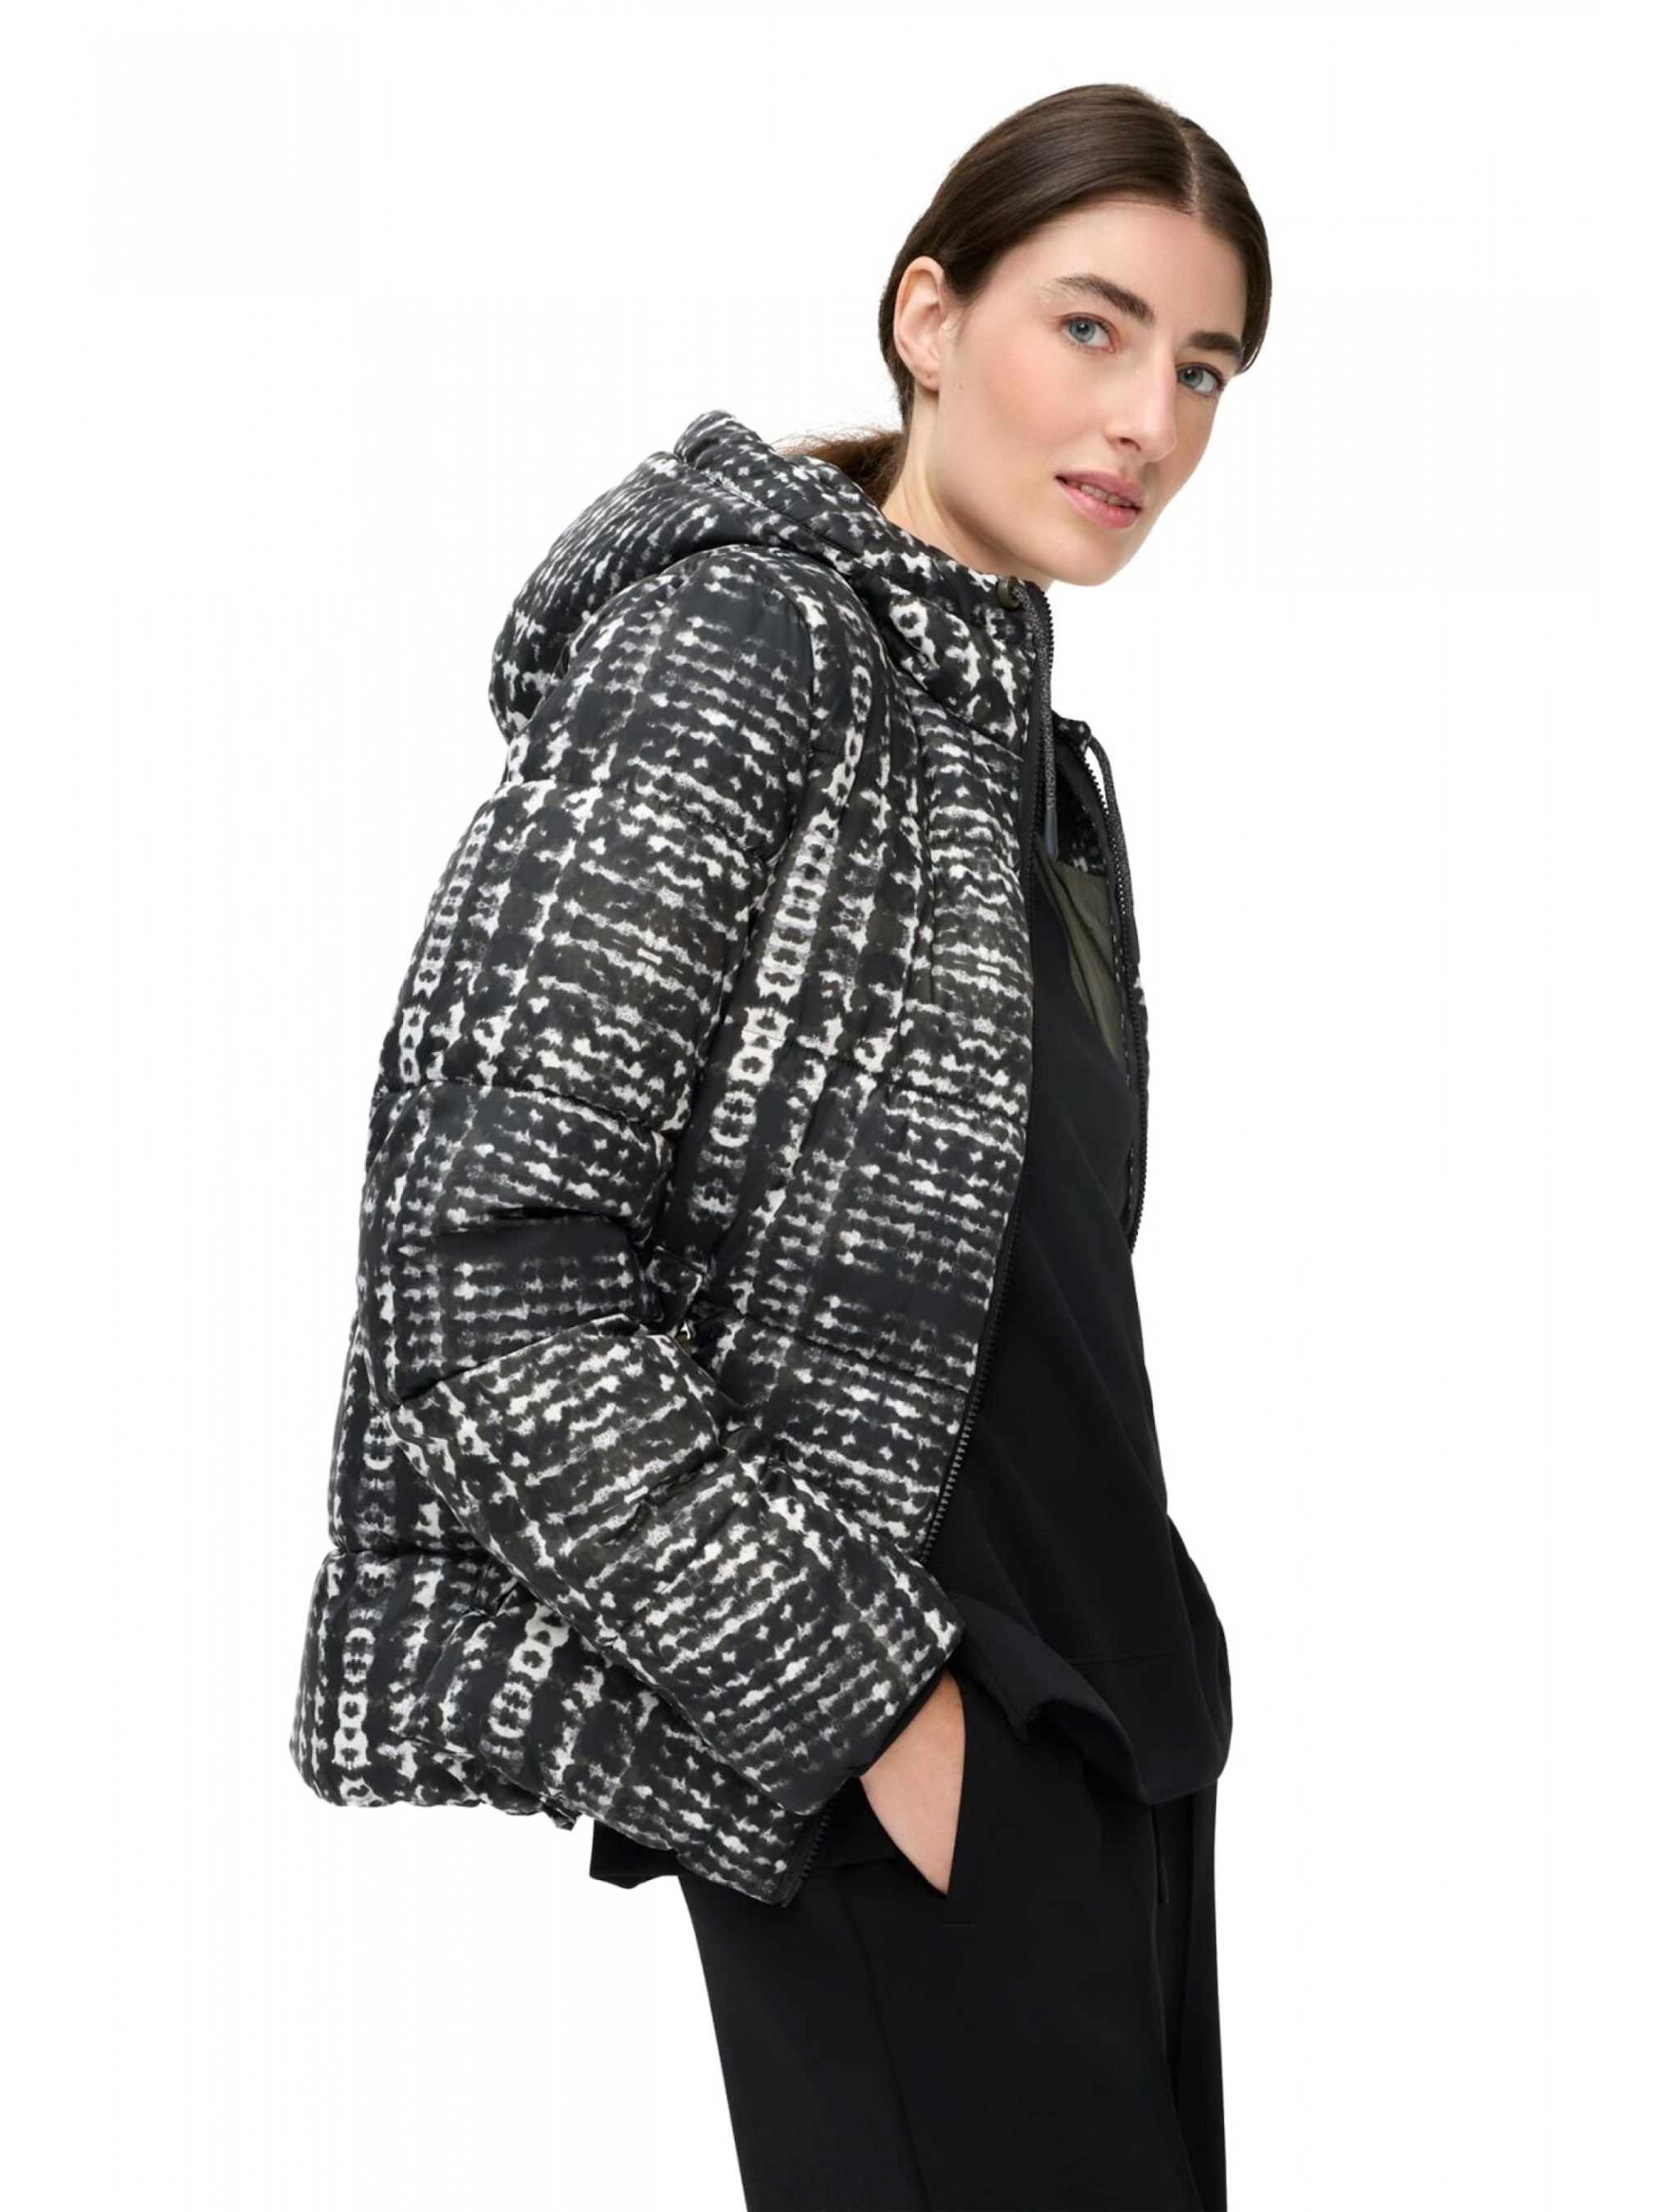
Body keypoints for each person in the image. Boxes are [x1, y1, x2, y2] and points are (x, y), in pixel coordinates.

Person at [291, 78, 1269, 2212]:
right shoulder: (741, 647)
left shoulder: (1023, 761)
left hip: (1112, 1746)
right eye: (1090, 328)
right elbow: (479, 1269)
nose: (1151, 422)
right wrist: (872, 1714)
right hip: (904, 1753)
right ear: (928, 315)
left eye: (1203, 368)